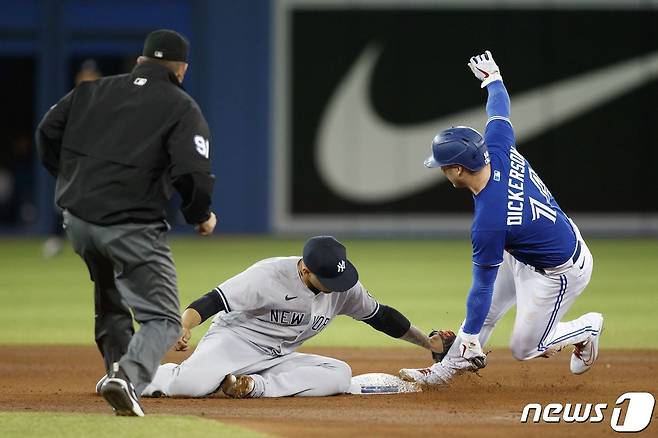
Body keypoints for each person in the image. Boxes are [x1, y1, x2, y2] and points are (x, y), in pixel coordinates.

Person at [36, 29, 217, 416]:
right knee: (165, 318)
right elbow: (194, 174)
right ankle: (128, 377)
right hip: (131, 223)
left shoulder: (90, 91)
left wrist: (73, 180)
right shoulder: (182, 106)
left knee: (110, 298)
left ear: (140, 60)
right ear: (181, 70)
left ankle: (114, 374)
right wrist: (199, 215)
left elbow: (47, 132)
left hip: (79, 220)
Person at [399, 51, 603, 385]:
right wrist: (493, 79)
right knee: (485, 315)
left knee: (526, 347)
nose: (440, 171)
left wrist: (468, 338)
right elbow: (498, 108)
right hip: (531, 239)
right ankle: (444, 371)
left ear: (458, 169)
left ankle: (587, 329)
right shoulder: (497, 147)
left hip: (560, 269)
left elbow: (481, 286)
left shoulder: (489, 222)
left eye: (442, 166)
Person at [96, 236, 454, 399]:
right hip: (234, 342)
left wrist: (429, 343)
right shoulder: (268, 275)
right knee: (191, 387)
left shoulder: (343, 288)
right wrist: (185, 326)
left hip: (277, 358)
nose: (336, 287)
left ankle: (251, 388)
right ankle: (133, 376)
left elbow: (383, 317)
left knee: (339, 375)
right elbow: (212, 301)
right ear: (305, 271)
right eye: (327, 280)